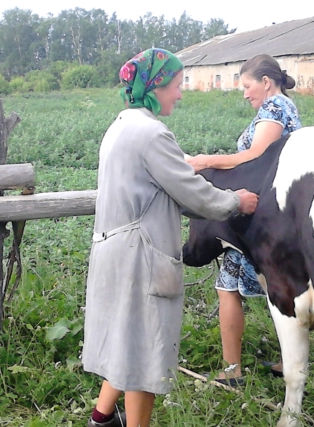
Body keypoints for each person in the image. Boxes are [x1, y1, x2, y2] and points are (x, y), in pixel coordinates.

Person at [82, 48, 260, 427]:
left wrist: (215, 203)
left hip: (114, 248)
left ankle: (101, 418)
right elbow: (193, 193)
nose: (180, 94)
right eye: (177, 86)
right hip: (139, 258)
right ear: (156, 86)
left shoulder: (121, 125)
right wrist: (236, 201)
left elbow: (172, 194)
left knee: (124, 340)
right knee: (143, 352)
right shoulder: (152, 134)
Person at [186, 54, 303, 385]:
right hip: (266, 211)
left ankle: (233, 370)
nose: (244, 93)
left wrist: (207, 161)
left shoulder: (275, 108)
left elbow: (257, 155)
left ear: (266, 82)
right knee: (265, 288)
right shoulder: (281, 107)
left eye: (248, 86)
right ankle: (284, 362)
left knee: (240, 289)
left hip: (261, 216)